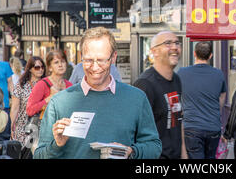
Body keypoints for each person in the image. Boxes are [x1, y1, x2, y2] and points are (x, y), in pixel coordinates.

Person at [33, 27, 161, 159]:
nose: (94, 67)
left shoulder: (136, 98)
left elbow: (154, 146)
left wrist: (131, 152)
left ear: (113, 58)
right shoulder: (59, 103)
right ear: (81, 57)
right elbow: (38, 156)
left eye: (101, 60)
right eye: (88, 60)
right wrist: (57, 145)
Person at [134, 31, 185, 159]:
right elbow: (133, 129)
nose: (174, 47)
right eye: (168, 43)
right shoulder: (145, 84)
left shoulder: (177, 80)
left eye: (177, 43)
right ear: (154, 51)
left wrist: (184, 154)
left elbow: (179, 120)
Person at [177, 41, 227, 159]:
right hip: (213, 127)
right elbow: (222, 96)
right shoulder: (219, 74)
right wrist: (214, 110)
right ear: (210, 56)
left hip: (191, 127)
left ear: (194, 54)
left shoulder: (182, 73)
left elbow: (177, 97)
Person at [10, 56, 46, 156]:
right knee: (22, 154)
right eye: (37, 67)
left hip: (42, 127)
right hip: (23, 126)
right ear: (30, 69)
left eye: (42, 67)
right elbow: (15, 108)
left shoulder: (47, 85)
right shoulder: (22, 85)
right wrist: (12, 126)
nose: (41, 69)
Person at [27, 50, 73, 121]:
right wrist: (48, 99)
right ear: (50, 67)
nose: (60, 65)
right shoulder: (42, 84)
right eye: (56, 62)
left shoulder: (70, 85)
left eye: (63, 61)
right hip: (46, 128)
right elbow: (29, 110)